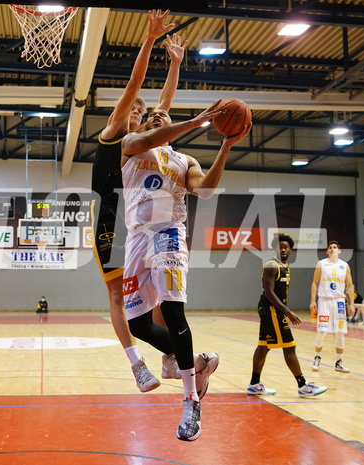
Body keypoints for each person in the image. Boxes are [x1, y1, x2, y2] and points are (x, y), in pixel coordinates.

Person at [91, 9, 218, 394]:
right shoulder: (116, 132)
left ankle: (171, 359)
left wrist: (176, 64)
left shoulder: (151, 142)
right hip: (111, 222)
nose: (139, 111)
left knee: (161, 295)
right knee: (119, 296)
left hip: (144, 221)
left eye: (142, 112)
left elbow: (164, 104)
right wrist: (148, 40)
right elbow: (135, 84)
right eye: (134, 108)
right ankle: (136, 365)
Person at [120, 100, 249, 441]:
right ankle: (201, 362)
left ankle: (191, 400)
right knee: (138, 324)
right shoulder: (131, 144)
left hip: (168, 234)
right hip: (136, 238)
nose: (156, 116)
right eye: (151, 116)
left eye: (162, 113)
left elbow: (205, 189)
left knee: (173, 310)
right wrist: (193, 122)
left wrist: (225, 144)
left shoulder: (184, 159)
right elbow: (149, 136)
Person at [247, 235, 327, 398]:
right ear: (274, 249)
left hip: (271, 310)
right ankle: (303, 386)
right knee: (289, 347)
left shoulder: (284, 265)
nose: (283, 249)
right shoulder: (271, 265)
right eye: (280, 247)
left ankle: (254, 384)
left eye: (286, 247)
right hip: (272, 310)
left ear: (290, 249)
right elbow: (269, 293)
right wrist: (288, 312)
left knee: (264, 346)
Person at [309, 240, 355, 373]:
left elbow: (350, 285)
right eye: (330, 247)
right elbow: (315, 283)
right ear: (327, 251)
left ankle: (339, 362)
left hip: (340, 301)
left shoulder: (344, 265)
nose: (333, 249)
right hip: (324, 300)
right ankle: (317, 357)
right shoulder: (321, 264)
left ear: (339, 251)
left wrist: (351, 303)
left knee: (340, 332)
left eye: (335, 247)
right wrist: (313, 300)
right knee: (322, 331)